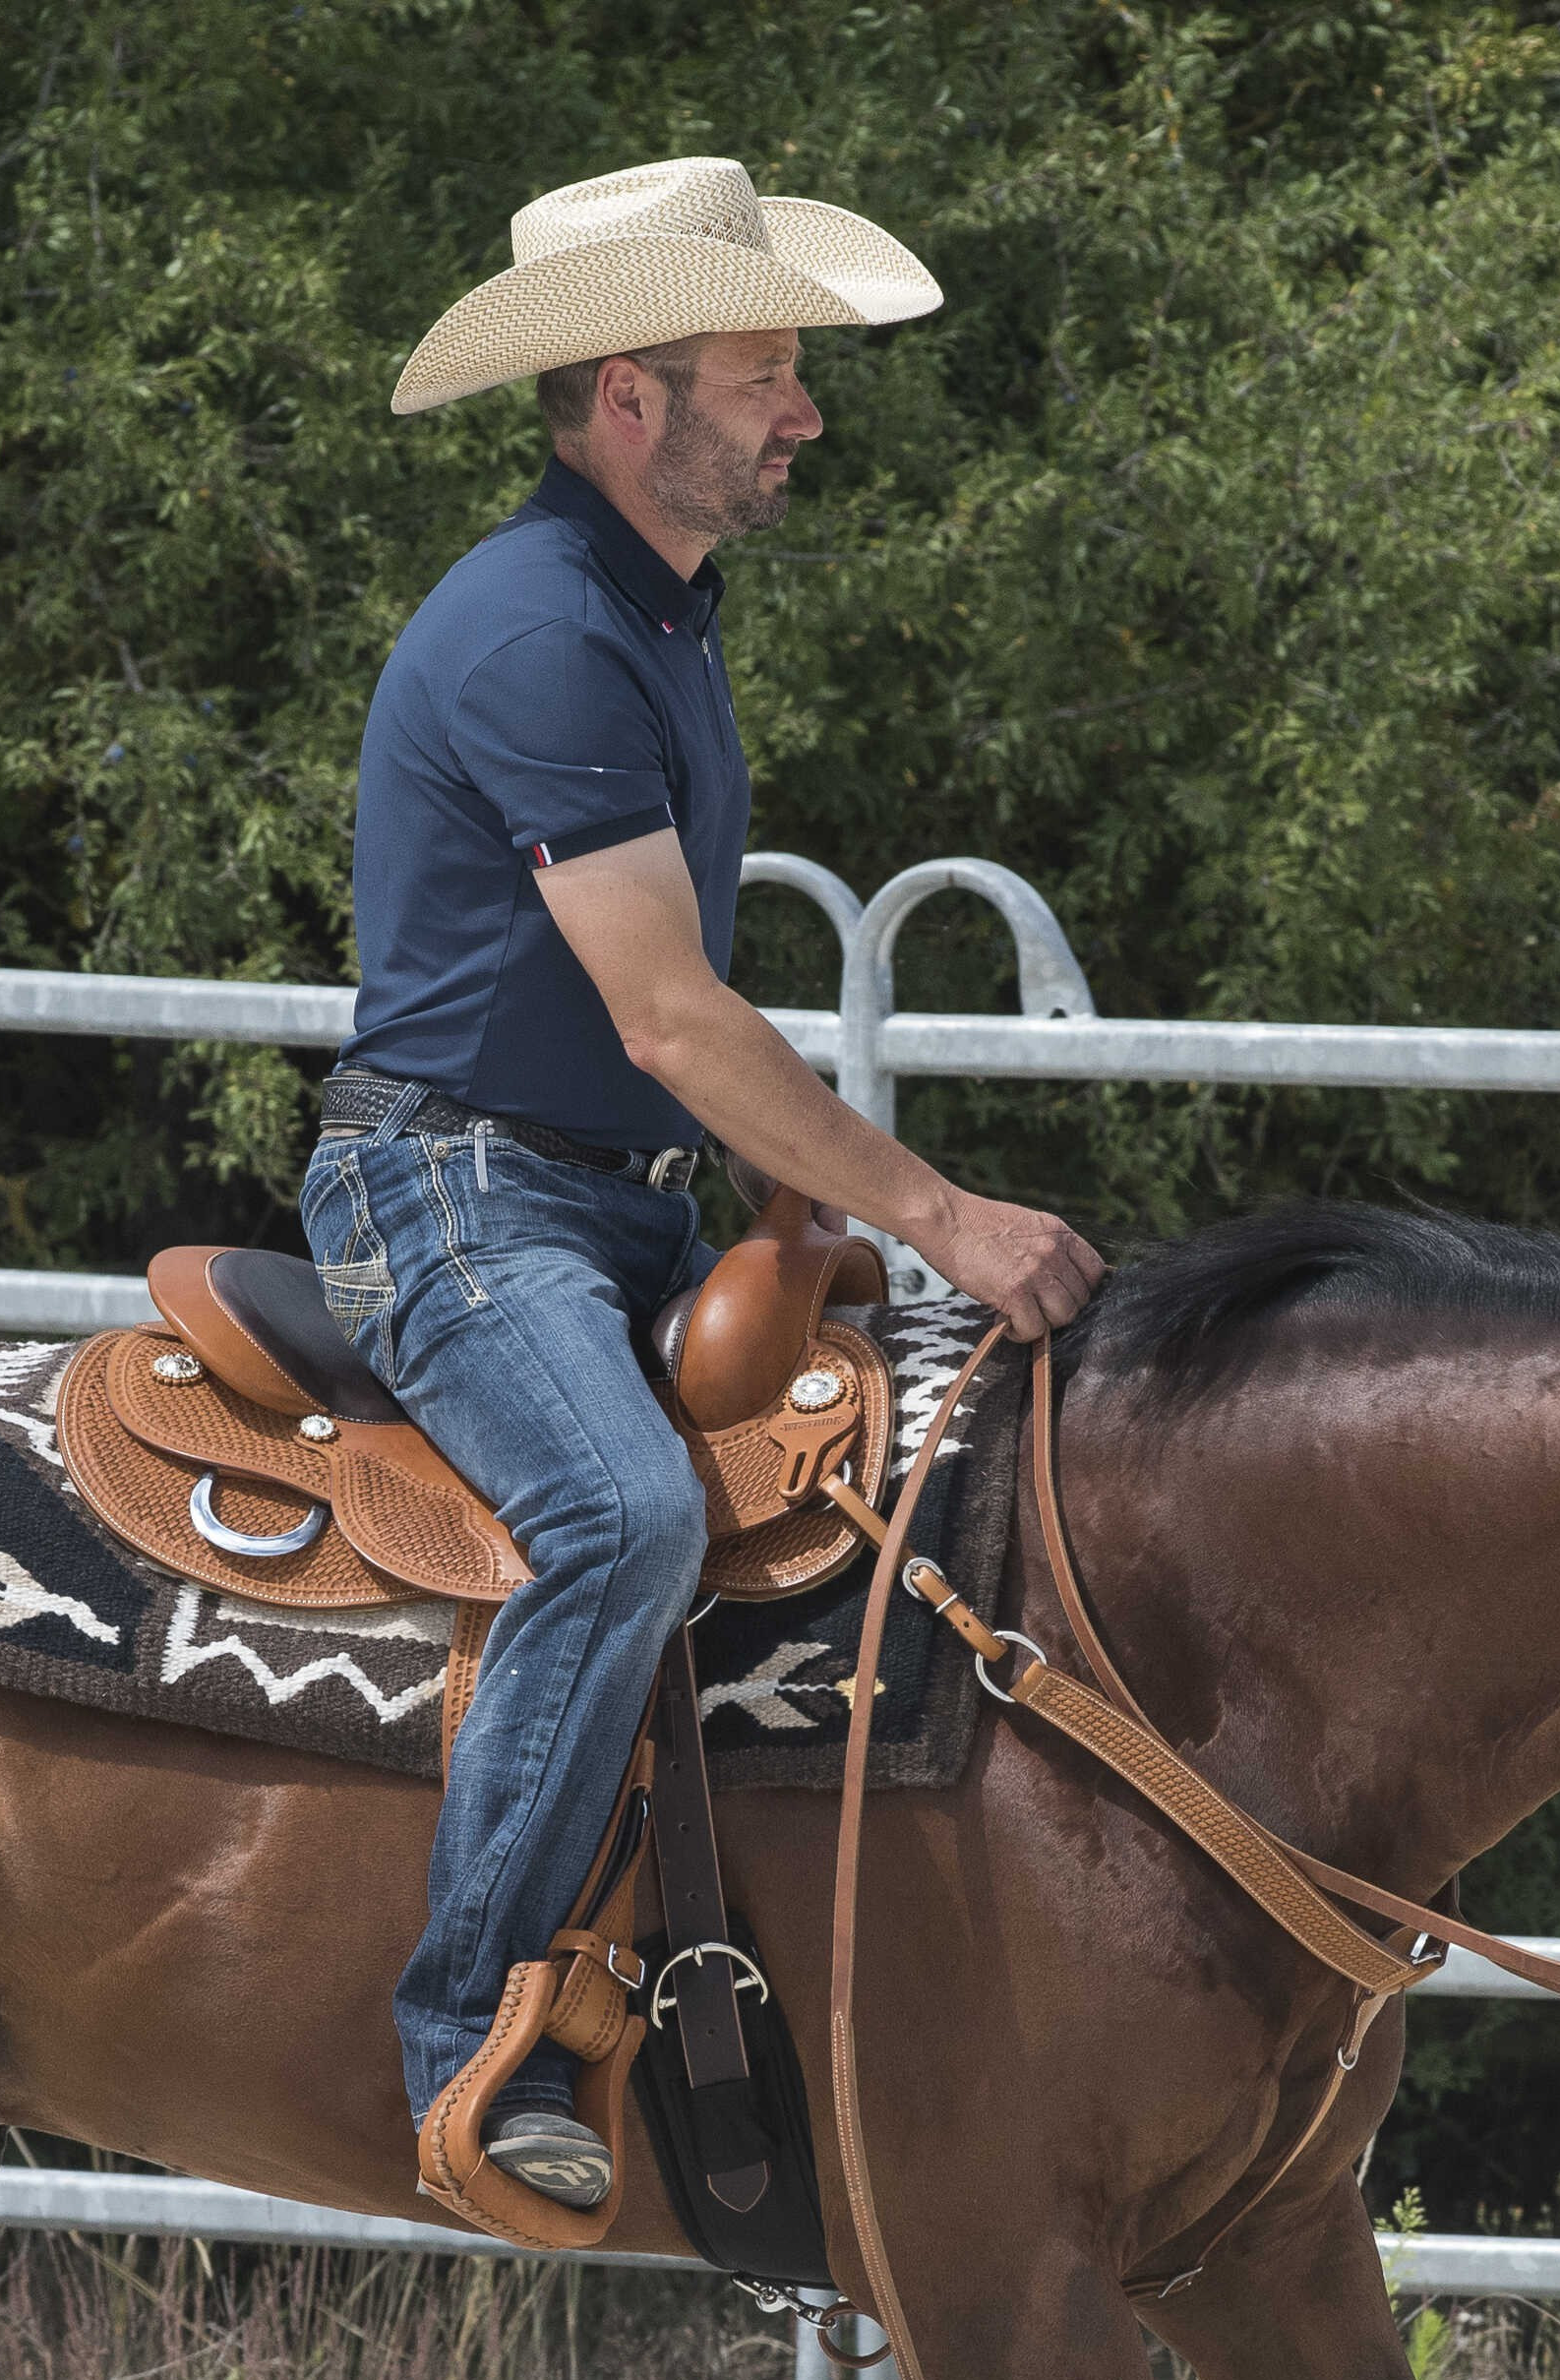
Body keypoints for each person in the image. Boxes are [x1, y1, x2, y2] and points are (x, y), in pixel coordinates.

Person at [324, 156, 1109, 2216]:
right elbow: (673, 1018)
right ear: (622, 397)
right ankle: (463, 2034)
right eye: (763, 373)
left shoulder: (649, 616)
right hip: (454, 1201)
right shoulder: (541, 641)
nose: (804, 412)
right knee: (622, 1509)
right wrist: (938, 1214)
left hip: (599, 1198)